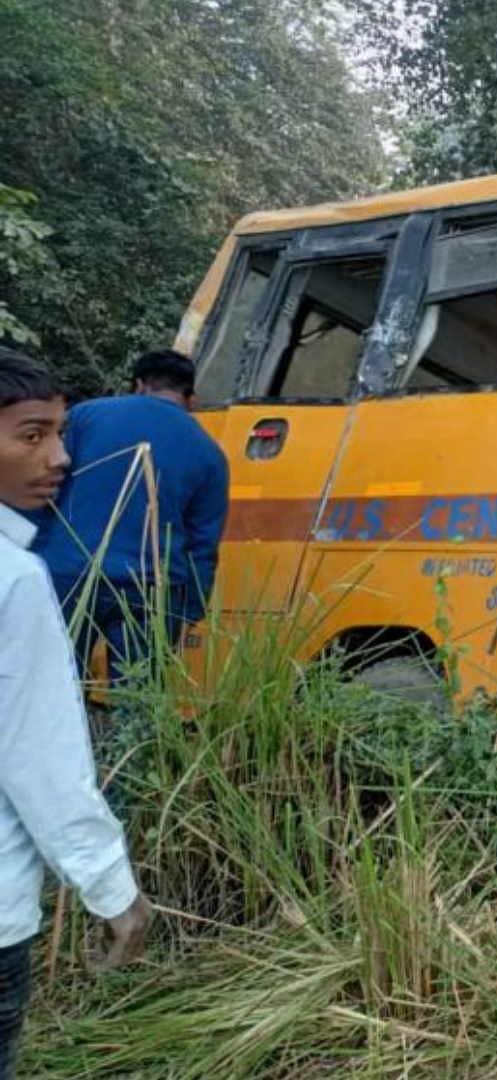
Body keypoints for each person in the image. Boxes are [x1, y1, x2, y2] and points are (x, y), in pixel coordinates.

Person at [0, 347, 154, 1079]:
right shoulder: (15, 581)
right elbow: (40, 758)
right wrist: (112, 890)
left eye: (59, 434)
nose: (59, 457)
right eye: (32, 435)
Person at [33, 349, 229, 684]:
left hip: (70, 573)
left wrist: (32, 554)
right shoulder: (210, 453)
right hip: (152, 588)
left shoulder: (86, 417)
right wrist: (188, 610)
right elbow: (203, 544)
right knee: (137, 700)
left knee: (55, 688)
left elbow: (42, 486)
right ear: (191, 397)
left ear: (139, 385)